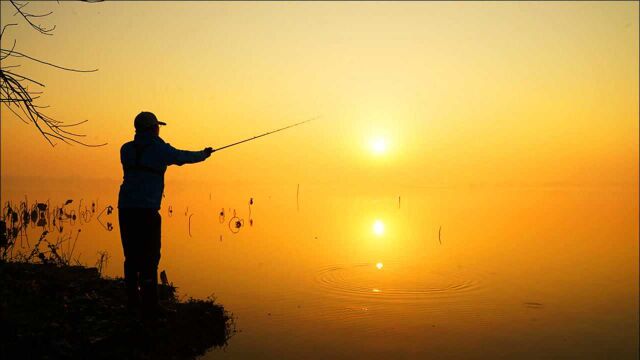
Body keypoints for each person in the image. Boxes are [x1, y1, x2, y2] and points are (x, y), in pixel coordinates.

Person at [118, 111, 213, 317]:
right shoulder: (158, 148)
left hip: (125, 208)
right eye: (156, 127)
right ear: (153, 128)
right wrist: (204, 154)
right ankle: (150, 305)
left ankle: (133, 302)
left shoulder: (126, 149)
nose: (158, 129)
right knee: (150, 256)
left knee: (131, 256)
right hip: (147, 210)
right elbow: (181, 156)